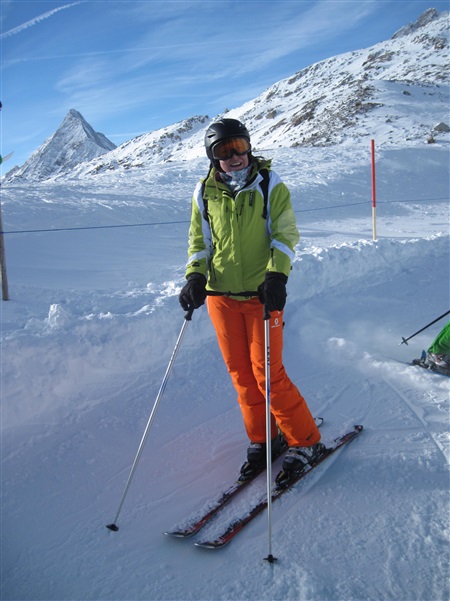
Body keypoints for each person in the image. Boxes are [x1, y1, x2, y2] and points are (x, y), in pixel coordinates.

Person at [179, 118, 323, 486]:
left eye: (240, 146)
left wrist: (277, 275)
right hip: (221, 298)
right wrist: (195, 276)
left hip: (263, 296)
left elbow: (285, 234)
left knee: (268, 374)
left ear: (249, 147)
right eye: (224, 150)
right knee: (242, 375)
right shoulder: (204, 192)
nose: (235, 156)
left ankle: (305, 439)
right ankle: (264, 437)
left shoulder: (270, 184)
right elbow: (199, 241)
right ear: (213, 157)